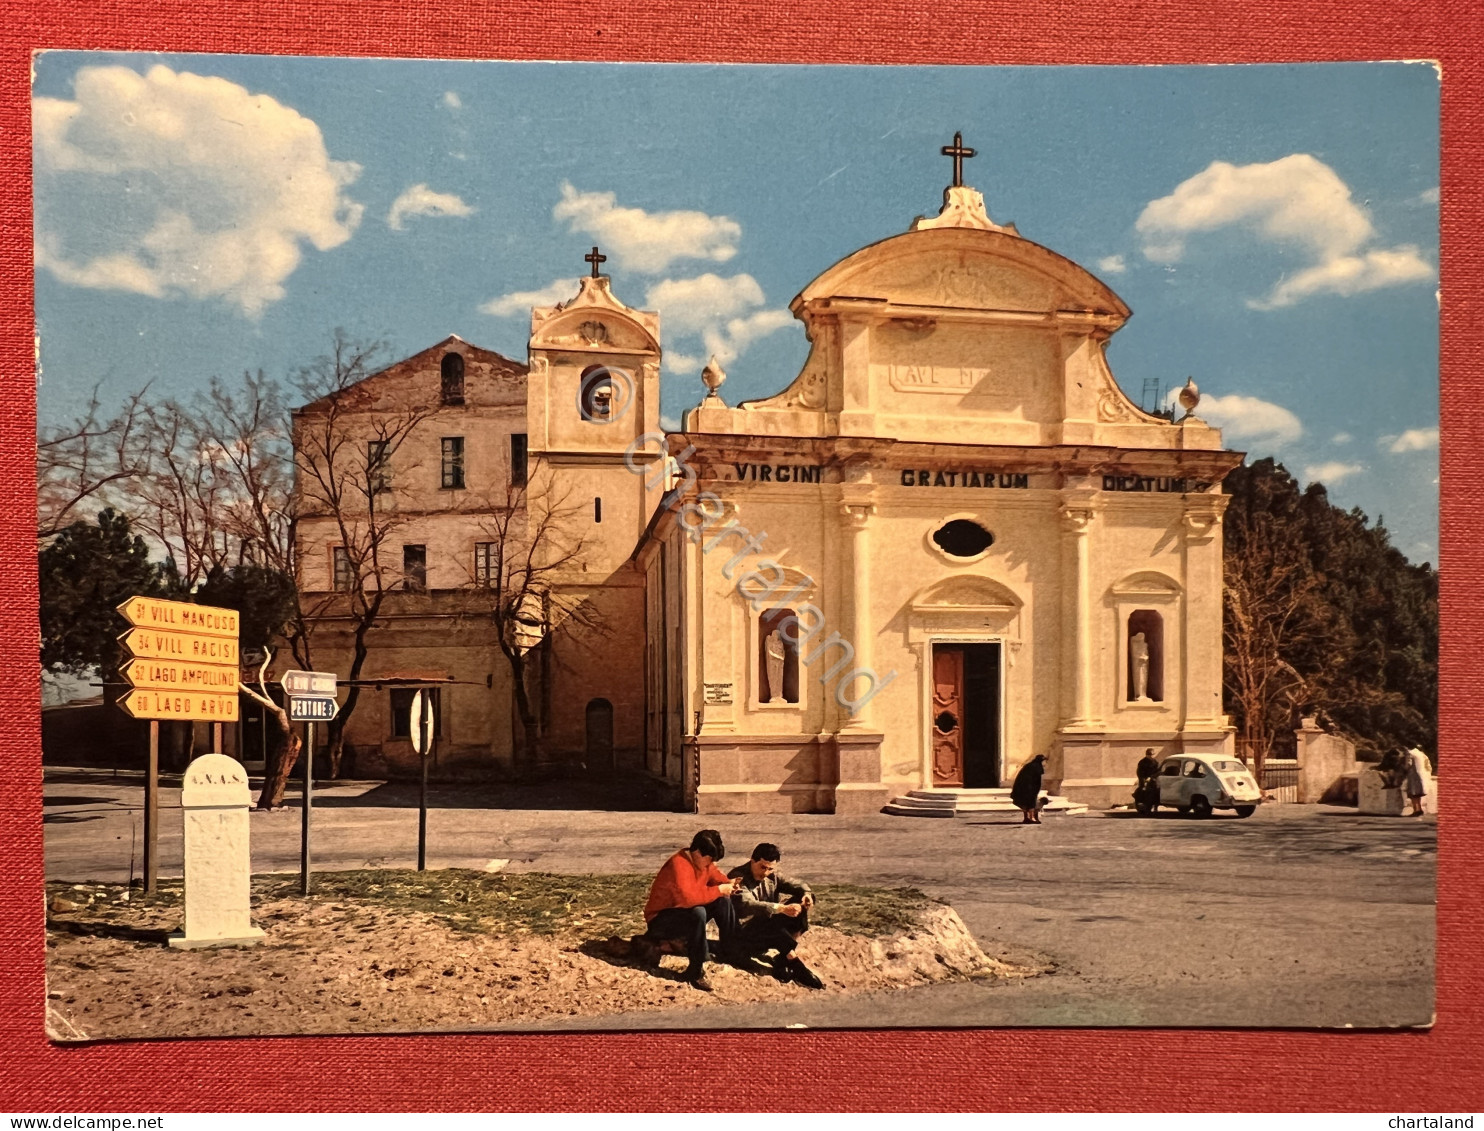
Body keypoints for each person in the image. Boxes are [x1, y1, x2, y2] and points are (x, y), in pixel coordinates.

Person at [638, 829, 740, 992]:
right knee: (698, 912)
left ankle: (731, 950)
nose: (710, 864)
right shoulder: (678, 864)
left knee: (723, 902)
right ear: (698, 853)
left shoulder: (703, 863)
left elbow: (716, 877)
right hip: (661, 920)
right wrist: (720, 889)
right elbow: (688, 899)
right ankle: (695, 969)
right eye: (709, 860)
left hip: (683, 914)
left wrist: (729, 884)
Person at [727, 843, 824, 990]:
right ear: (752, 861)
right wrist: (781, 908)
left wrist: (806, 895)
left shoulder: (772, 876)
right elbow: (748, 904)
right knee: (769, 919)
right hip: (745, 936)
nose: (766, 872)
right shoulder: (737, 877)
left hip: (768, 931)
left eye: (770, 868)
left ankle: (784, 957)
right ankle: (795, 963)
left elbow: (798, 884)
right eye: (762, 867)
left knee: (802, 898)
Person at [1011, 754, 1047, 824]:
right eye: (1044, 761)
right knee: (1031, 802)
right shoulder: (1036, 767)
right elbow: (1036, 781)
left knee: (1024, 802)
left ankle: (1026, 818)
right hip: (1028, 787)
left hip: (1022, 787)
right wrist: (1034, 790)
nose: (1045, 763)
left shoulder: (1030, 766)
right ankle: (1031, 818)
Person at [1404, 747, 1433, 817]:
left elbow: (1408, 764)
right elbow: (1428, 765)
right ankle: (1419, 809)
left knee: (1413, 793)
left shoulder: (1409, 753)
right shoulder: (1421, 754)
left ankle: (1416, 810)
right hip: (1422, 775)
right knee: (1418, 793)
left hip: (1413, 775)